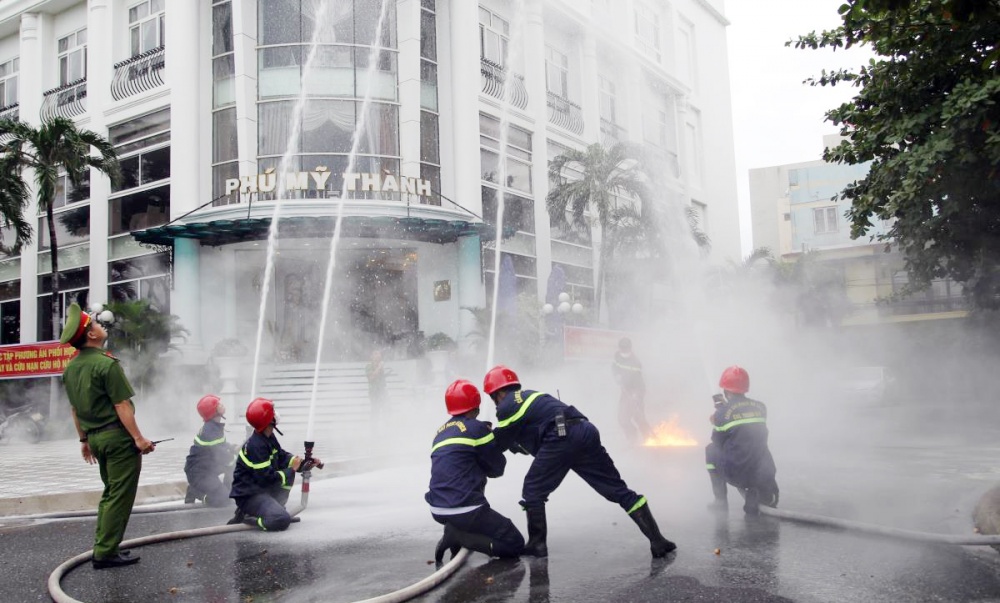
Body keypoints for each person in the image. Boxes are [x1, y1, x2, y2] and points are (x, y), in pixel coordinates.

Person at [483, 365, 676, 558]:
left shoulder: (507, 406)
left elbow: (498, 443)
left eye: (493, 398)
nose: (495, 403)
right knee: (616, 489)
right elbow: (533, 435)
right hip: (584, 430)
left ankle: (537, 544)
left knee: (533, 489)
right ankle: (657, 540)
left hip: (561, 436)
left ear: (499, 392)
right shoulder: (533, 396)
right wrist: (518, 445)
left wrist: (482, 437)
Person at [60, 302, 156, 569]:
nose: (101, 325)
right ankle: (105, 552)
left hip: (97, 439)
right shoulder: (107, 365)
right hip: (117, 440)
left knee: (110, 492)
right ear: (91, 335)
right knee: (119, 495)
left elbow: (74, 409)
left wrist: (84, 441)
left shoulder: (71, 369)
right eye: (96, 324)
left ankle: (104, 546)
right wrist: (139, 439)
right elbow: (121, 405)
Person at [426, 379, 525, 566]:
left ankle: (456, 530)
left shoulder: (440, 432)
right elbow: (497, 469)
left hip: (437, 508)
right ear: (476, 406)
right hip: (466, 509)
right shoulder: (477, 428)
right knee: (514, 543)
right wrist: (492, 443)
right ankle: (461, 538)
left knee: (476, 524)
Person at [228, 397, 322, 530]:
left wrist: (303, 463)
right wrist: (292, 470)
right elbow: (266, 478)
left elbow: (282, 457)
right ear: (266, 420)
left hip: (260, 490)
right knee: (281, 520)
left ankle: (276, 511)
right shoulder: (256, 446)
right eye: (272, 412)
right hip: (249, 495)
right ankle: (252, 518)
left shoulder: (268, 437)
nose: (275, 414)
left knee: (289, 471)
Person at [705, 366, 779, 516]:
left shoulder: (722, 413)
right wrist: (722, 411)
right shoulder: (761, 407)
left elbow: (718, 442)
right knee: (753, 444)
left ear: (726, 390)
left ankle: (720, 501)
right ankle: (760, 492)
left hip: (739, 475)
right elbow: (742, 422)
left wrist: (716, 420)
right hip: (762, 472)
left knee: (711, 449)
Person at [183, 394, 237, 507]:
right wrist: (236, 460)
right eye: (219, 404)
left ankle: (227, 491)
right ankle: (197, 492)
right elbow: (220, 455)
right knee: (222, 500)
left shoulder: (214, 426)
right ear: (213, 411)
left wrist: (232, 447)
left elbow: (220, 445)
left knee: (232, 469)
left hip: (208, 467)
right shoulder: (210, 430)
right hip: (199, 473)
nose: (222, 405)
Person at [611, 337, 652, 444]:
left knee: (639, 417)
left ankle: (650, 439)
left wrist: (636, 395)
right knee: (622, 418)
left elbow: (638, 381)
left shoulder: (636, 362)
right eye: (622, 349)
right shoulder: (617, 357)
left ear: (630, 349)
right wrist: (617, 376)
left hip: (637, 391)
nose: (624, 351)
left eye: (626, 349)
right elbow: (614, 367)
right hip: (625, 392)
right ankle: (632, 439)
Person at [365, 350, 389, 422]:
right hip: (374, 391)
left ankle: (387, 426)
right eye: (375, 353)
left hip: (382, 391)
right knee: (375, 411)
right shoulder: (369, 366)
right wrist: (379, 368)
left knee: (387, 410)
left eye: (379, 353)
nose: (378, 355)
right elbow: (371, 377)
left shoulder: (381, 365)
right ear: (371, 356)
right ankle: (374, 429)